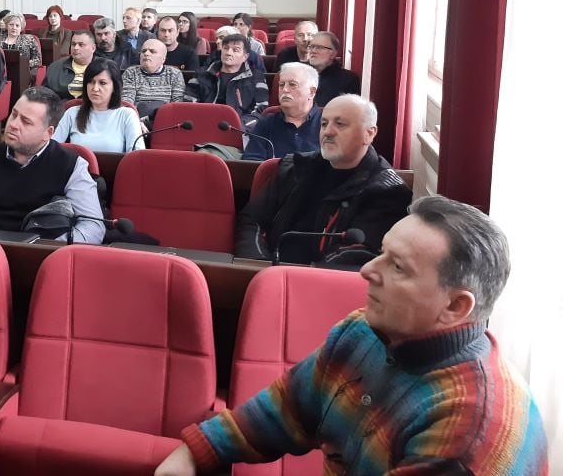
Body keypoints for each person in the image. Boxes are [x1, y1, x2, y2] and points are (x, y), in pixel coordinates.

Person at [157, 195, 549, 476]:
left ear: (455, 307)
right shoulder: (363, 332)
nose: (367, 271)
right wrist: (195, 451)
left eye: (398, 267)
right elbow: (285, 410)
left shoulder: (467, 434)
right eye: (381, 253)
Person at [234, 94, 412, 266]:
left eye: (340, 124)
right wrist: (258, 265)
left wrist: (291, 278)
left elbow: (358, 253)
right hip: (268, 270)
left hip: (326, 281)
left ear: (369, 133)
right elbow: (252, 221)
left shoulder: (387, 190)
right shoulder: (294, 167)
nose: (328, 132)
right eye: (324, 124)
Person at [0, 86, 105, 244]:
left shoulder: (70, 165)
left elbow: (93, 227)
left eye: (26, 121)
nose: (13, 124)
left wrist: (47, 247)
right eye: (14, 114)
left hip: (44, 253)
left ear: (48, 133)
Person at [52, 58, 144, 153]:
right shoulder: (72, 113)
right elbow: (51, 149)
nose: (95, 88)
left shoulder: (127, 115)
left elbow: (137, 156)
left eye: (102, 83)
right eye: (91, 82)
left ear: (114, 87)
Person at [183, 33, 268, 129]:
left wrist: (239, 126)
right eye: (226, 48)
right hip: (203, 127)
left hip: (240, 130)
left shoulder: (257, 77)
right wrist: (204, 124)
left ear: (245, 56)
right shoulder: (201, 74)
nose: (228, 53)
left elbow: (260, 109)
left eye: (235, 50)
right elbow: (189, 103)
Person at [242, 62, 321, 161]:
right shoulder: (266, 123)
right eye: (281, 85)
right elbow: (251, 161)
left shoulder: (327, 123)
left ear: (312, 92)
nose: (285, 90)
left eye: (292, 84)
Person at [120, 39, 186, 119]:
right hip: (137, 119)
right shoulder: (131, 72)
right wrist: (137, 121)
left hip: (165, 118)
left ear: (163, 59)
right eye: (143, 51)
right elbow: (127, 104)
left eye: (152, 51)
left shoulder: (174, 74)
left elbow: (177, 105)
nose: (146, 53)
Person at [307, 31, 361, 106]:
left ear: (333, 53)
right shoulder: (300, 73)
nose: (313, 51)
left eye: (319, 47)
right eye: (311, 47)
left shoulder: (348, 79)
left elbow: (350, 109)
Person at [42, 29, 95, 100]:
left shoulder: (103, 68)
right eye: (73, 44)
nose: (76, 48)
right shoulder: (55, 67)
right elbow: (44, 96)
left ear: (93, 48)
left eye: (81, 45)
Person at [0, 12, 42, 80]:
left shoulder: (29, 40)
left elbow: (38, 60)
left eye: (17, 25)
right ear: (6, 25)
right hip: (1, 72)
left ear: (21, 28)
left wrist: (25, 64)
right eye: (11, 25)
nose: (14, 28)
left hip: (22, 73)